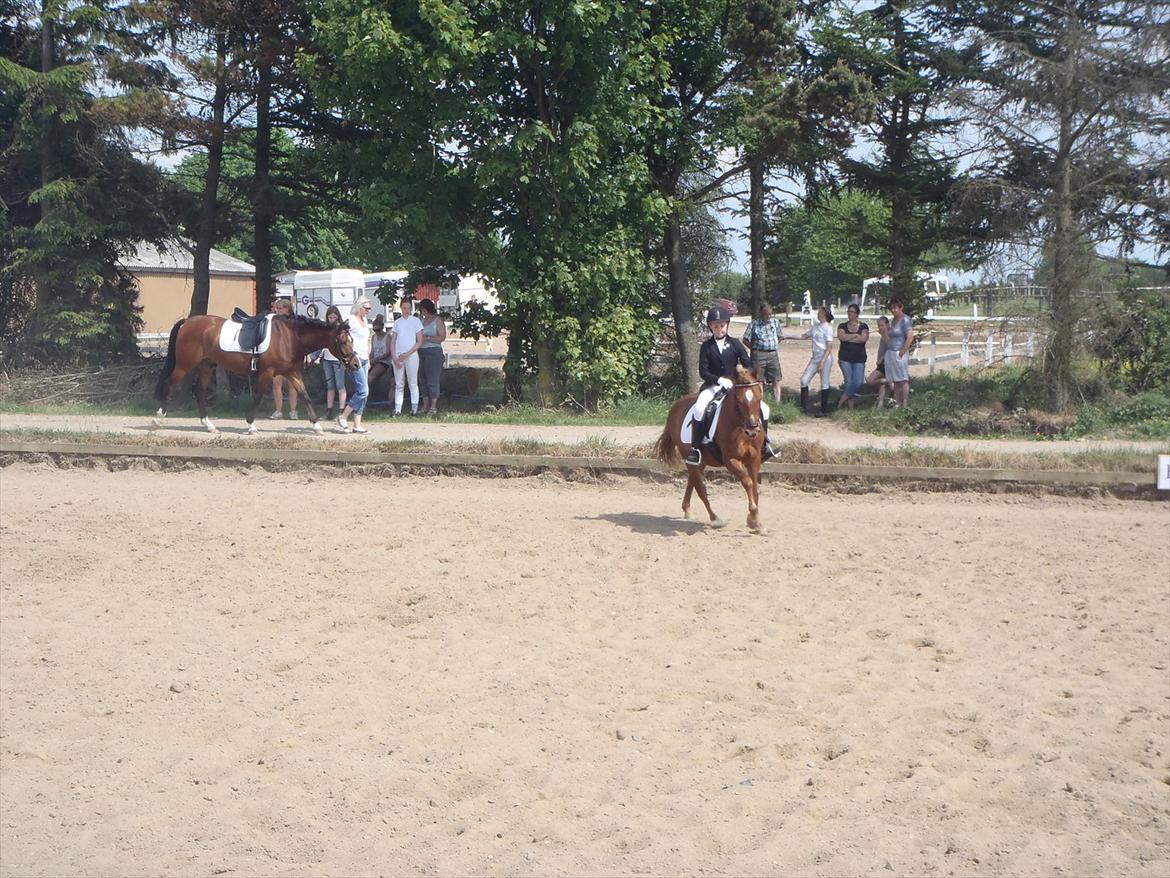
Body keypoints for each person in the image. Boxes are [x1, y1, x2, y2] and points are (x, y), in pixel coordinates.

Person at [684, 305, 775, 467]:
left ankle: (765, 445)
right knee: (699, 408)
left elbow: (747, 363)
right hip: (714, 386)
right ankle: (695, 449)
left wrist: (743, 375)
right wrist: (719, 380)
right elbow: (703, 371)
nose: (719, 329)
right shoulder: (706, 347)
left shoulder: (735, 344)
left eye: (722, 325)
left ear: (727, 325)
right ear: (711, 327)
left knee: (765, 408)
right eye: (716, 326)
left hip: (736, 386)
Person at [786, 305, 835, 416]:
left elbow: (829, 347)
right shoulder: (815, 327)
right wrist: (788, 337)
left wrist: (822, 362)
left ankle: (823, 410)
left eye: (819, 312)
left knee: (824, 382)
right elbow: (803, 336)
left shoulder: (828, 328)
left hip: (824, 357)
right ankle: (804, 407)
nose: (817, 314)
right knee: (804, 380)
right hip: (815, 356)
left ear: (824, 314)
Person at [337, 297, 374, 433]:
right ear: (360, 307)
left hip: (364, 357)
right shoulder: (351, 320)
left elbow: (366, 341)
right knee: (363, 390)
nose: (368, 311)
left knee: (364, 392)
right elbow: (342, 338)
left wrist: (369, 359)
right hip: (355, 359)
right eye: (367, 308)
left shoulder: (365, 321)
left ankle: (357, 424)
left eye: (370, 308)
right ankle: (343, 416)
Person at [308, 305, 347, 420]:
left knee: (340, 385)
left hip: (337, 360)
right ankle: (329, 411)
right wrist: (314, 357)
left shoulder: (341, 330)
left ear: (338, 317)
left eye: (334, 317)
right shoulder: (325, 329)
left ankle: (341, 412)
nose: (332, 320)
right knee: (330, 386)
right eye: (330, 317)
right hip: (327, 359)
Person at [741, 303, 784, 402]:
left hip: (772, 354)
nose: (768, 317)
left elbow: (780, 336)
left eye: (770, 314)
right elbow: (745, 339)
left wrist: (773, 344)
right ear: (761, 313)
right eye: (766, 314)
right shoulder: (754, 324)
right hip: (758, 354)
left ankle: (777, 402)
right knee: (759, 380)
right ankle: (760, 402)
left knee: (776, 379)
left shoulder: (775, 323)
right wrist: (754, 349)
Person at [389, 297, 424, 415]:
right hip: (398, 355)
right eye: (404, 308)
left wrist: (408, 353)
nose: (406, 310)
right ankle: (398, 409)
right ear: (401, 308)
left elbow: (419, 341)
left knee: (412, 383)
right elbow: (393, 341)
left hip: (411, 354)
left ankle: (414, 408)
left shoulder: (416, 321)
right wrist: (394, 357)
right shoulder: (397, 323)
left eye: (408, 308)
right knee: (399, 383)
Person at [268, 298, 299, 419]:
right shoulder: (274, 321)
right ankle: (278, 410)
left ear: (287, 309)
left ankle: (293, 411)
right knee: (277, 383)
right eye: (276, 308)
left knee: (292, 384)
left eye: (280, 308)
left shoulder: (294, 322)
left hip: (291, 356)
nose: (277, 311)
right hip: (277, 355)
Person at [416, 298, 447, 415]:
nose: (423, 313)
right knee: (422, 379)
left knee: (432, 379)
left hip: (433, 351)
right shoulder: (421, 321)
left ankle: (433, 405)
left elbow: (442, 337)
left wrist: (428, 338)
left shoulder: (437, 320)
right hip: (421, 351)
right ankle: (425, 405)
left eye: (424, 310)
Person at [836, 303, 869, 410]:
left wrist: (849, 337)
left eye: (852, 312)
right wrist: (855, 335)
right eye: (848, 312)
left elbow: (863, 339)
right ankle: (851, 408)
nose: (849, 314)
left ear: (857, 314)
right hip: (845, 358)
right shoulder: (842, 326)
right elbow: (842, 337)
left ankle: (842, 400)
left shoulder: (863, 326)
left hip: (859, 358)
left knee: (858, 382)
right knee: (849, 382)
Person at [885, 296, 914, 408]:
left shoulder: (905, 320)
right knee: (896, 380)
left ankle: (905, 403)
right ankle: (898, 402)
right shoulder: (893, 321)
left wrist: (902, 352)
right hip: (891, 351)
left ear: (901, 307)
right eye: (891, 308)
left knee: (903, 379)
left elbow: (910, 337)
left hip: (899, 351)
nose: (893, 310)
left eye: (895, 307)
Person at [864, 315, 893, 407]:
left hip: (887, 364)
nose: (880, 327)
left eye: (882, 325)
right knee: (878, 383)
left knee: (870, 380)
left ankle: (883, 402)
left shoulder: (889, 335)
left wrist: (881, 359)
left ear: (887, 325)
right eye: (879, 325)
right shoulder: (883, 335)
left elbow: (890, 348)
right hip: (881, 365)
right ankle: (880, 404)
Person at [366, 313, 394, 390]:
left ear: (382, 328)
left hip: (384, 361)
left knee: (371, 376)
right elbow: (372, 351)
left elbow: (388, 352)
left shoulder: (387, 337)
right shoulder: (373, 337)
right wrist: (370, 359)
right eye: (374, 330)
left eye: (377, 330)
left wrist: (376, 359)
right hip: (375, 360)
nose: (376, 332)